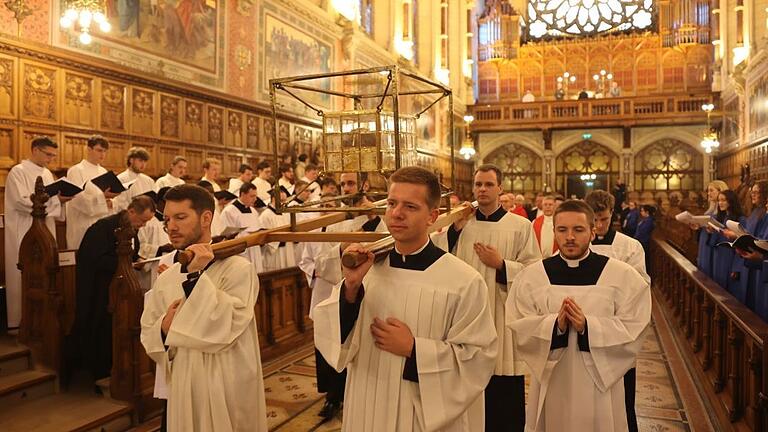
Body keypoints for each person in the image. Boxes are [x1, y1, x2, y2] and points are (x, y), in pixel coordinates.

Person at [313, 166, 497, 431]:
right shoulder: (368, 270)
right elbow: (332, 336)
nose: (396, 213)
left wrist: (414, 349)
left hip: (420, 411)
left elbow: (478, 358)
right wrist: (350, 289)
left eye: (410, 206)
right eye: (391, 203)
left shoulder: (463, 281)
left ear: (432, 216)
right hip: (368, 399)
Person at [508, 199, 651, 432]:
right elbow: (518, 322)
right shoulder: (533, 276)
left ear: (593, 232)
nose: (570, 237)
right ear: (554, 231)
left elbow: (635, 324)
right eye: (562, 230)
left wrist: (588, 326)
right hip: (553, 378)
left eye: (578, 229)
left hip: (600, 382)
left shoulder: (621, 275)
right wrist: (555, 326)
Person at [140, 184, 267, 432]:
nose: (171, 227)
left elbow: (226, 325)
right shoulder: (167, 277)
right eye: (166, 219)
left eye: (180, 217)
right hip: (184, 384)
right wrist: (163, 329)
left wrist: (196, 274)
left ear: (206, 218)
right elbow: (148, 330)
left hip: (225, 384)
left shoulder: (238, 269)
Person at [447, 164, 540, 432]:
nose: (482, 189)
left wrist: (502, 265)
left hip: (501, 312)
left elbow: (534, 272)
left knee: (503, 386)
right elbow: (443, 260)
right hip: (467, 316)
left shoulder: (520, 226)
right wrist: (454, 231)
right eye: (478, 185)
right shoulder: (462, 225)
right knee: (469, 384)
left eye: (488, 184)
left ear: (500, 188)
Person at [71, 196, 156, 381]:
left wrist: (135, 261)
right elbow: (94, 259)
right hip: (99, 290)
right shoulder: (103, 227)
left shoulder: (130, 228)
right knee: (100, 329)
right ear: (131, 211)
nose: (142, 226)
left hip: (119, 290)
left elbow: (129, 253)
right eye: (142, 221)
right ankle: (96, 371)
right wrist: (126, 264)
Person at [584, 190, 649, 432]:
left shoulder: (629, 247)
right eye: (595, 220)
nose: (599, 226)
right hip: (585, 330)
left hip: (616, 331)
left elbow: (640, 289)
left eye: (604, 219)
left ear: (612, 214)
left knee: (621, 399)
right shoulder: (577, 244)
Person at [4, 136, 67, 328]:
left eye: (53, 156)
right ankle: (19, 323)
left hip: (45, 229)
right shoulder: (18, 171)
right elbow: (21, 202)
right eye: (48, 154)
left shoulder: (48, 174)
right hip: (23, 230)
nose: (50, 159)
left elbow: (52, 203)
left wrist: (61, 200)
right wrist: (58, 201)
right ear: (35, 150)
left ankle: (42, 323)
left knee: (44, 273)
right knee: (22, 274)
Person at [66, 135, 120, 249]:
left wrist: (111, 202)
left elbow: (111, 201)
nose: (102, 155)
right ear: (89, 149)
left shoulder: (103, 171)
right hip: (82, 226)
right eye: (99, 150)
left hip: (101, 225)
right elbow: (78, 200)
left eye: (105, 151)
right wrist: (102, 198)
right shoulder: (76, 170)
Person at [725, 181, 768, 309]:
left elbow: (760, 238)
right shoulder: (756, 213)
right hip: (755, 259)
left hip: (761, 262)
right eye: (752, 193)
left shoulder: (763, 216)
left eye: (756, 192)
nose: (752, 195)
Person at [219, 182, 264, 273]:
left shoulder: (253, 211)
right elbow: (226, 235)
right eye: (252, 196)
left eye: (255, 196)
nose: (255, 199)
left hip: (254, 250)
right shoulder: (229, 211)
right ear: (243, 194)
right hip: (240, 253)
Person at [691, 180, 729, 278]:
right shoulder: (709, 211)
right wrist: (698, 227)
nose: (708, 193)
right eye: (708, 191)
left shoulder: (724, 213)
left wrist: (711, 231)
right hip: (704, 244)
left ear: (720, 191)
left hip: (714, 247)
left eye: (711, 191)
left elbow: (723, 234)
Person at [708, 190, 744, 292]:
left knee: (730, 291)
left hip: (730, 257)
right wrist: (712, 231)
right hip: (719, 256)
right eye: (719, 200)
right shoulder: (722, 218)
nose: (720, 203)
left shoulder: (740, 219)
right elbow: (714, 242)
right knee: (718, 289)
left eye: (723, 200)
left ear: (731, 201)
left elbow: (742, 244)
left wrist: (736, 267)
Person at [633, 205, 656, 270]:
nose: (641, 212)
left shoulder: (649, 221)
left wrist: (636, 238)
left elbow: (643, 232)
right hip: (641, 241)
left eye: (642, 211)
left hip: (644, 242)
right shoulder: (645, 220)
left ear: (647, 212)